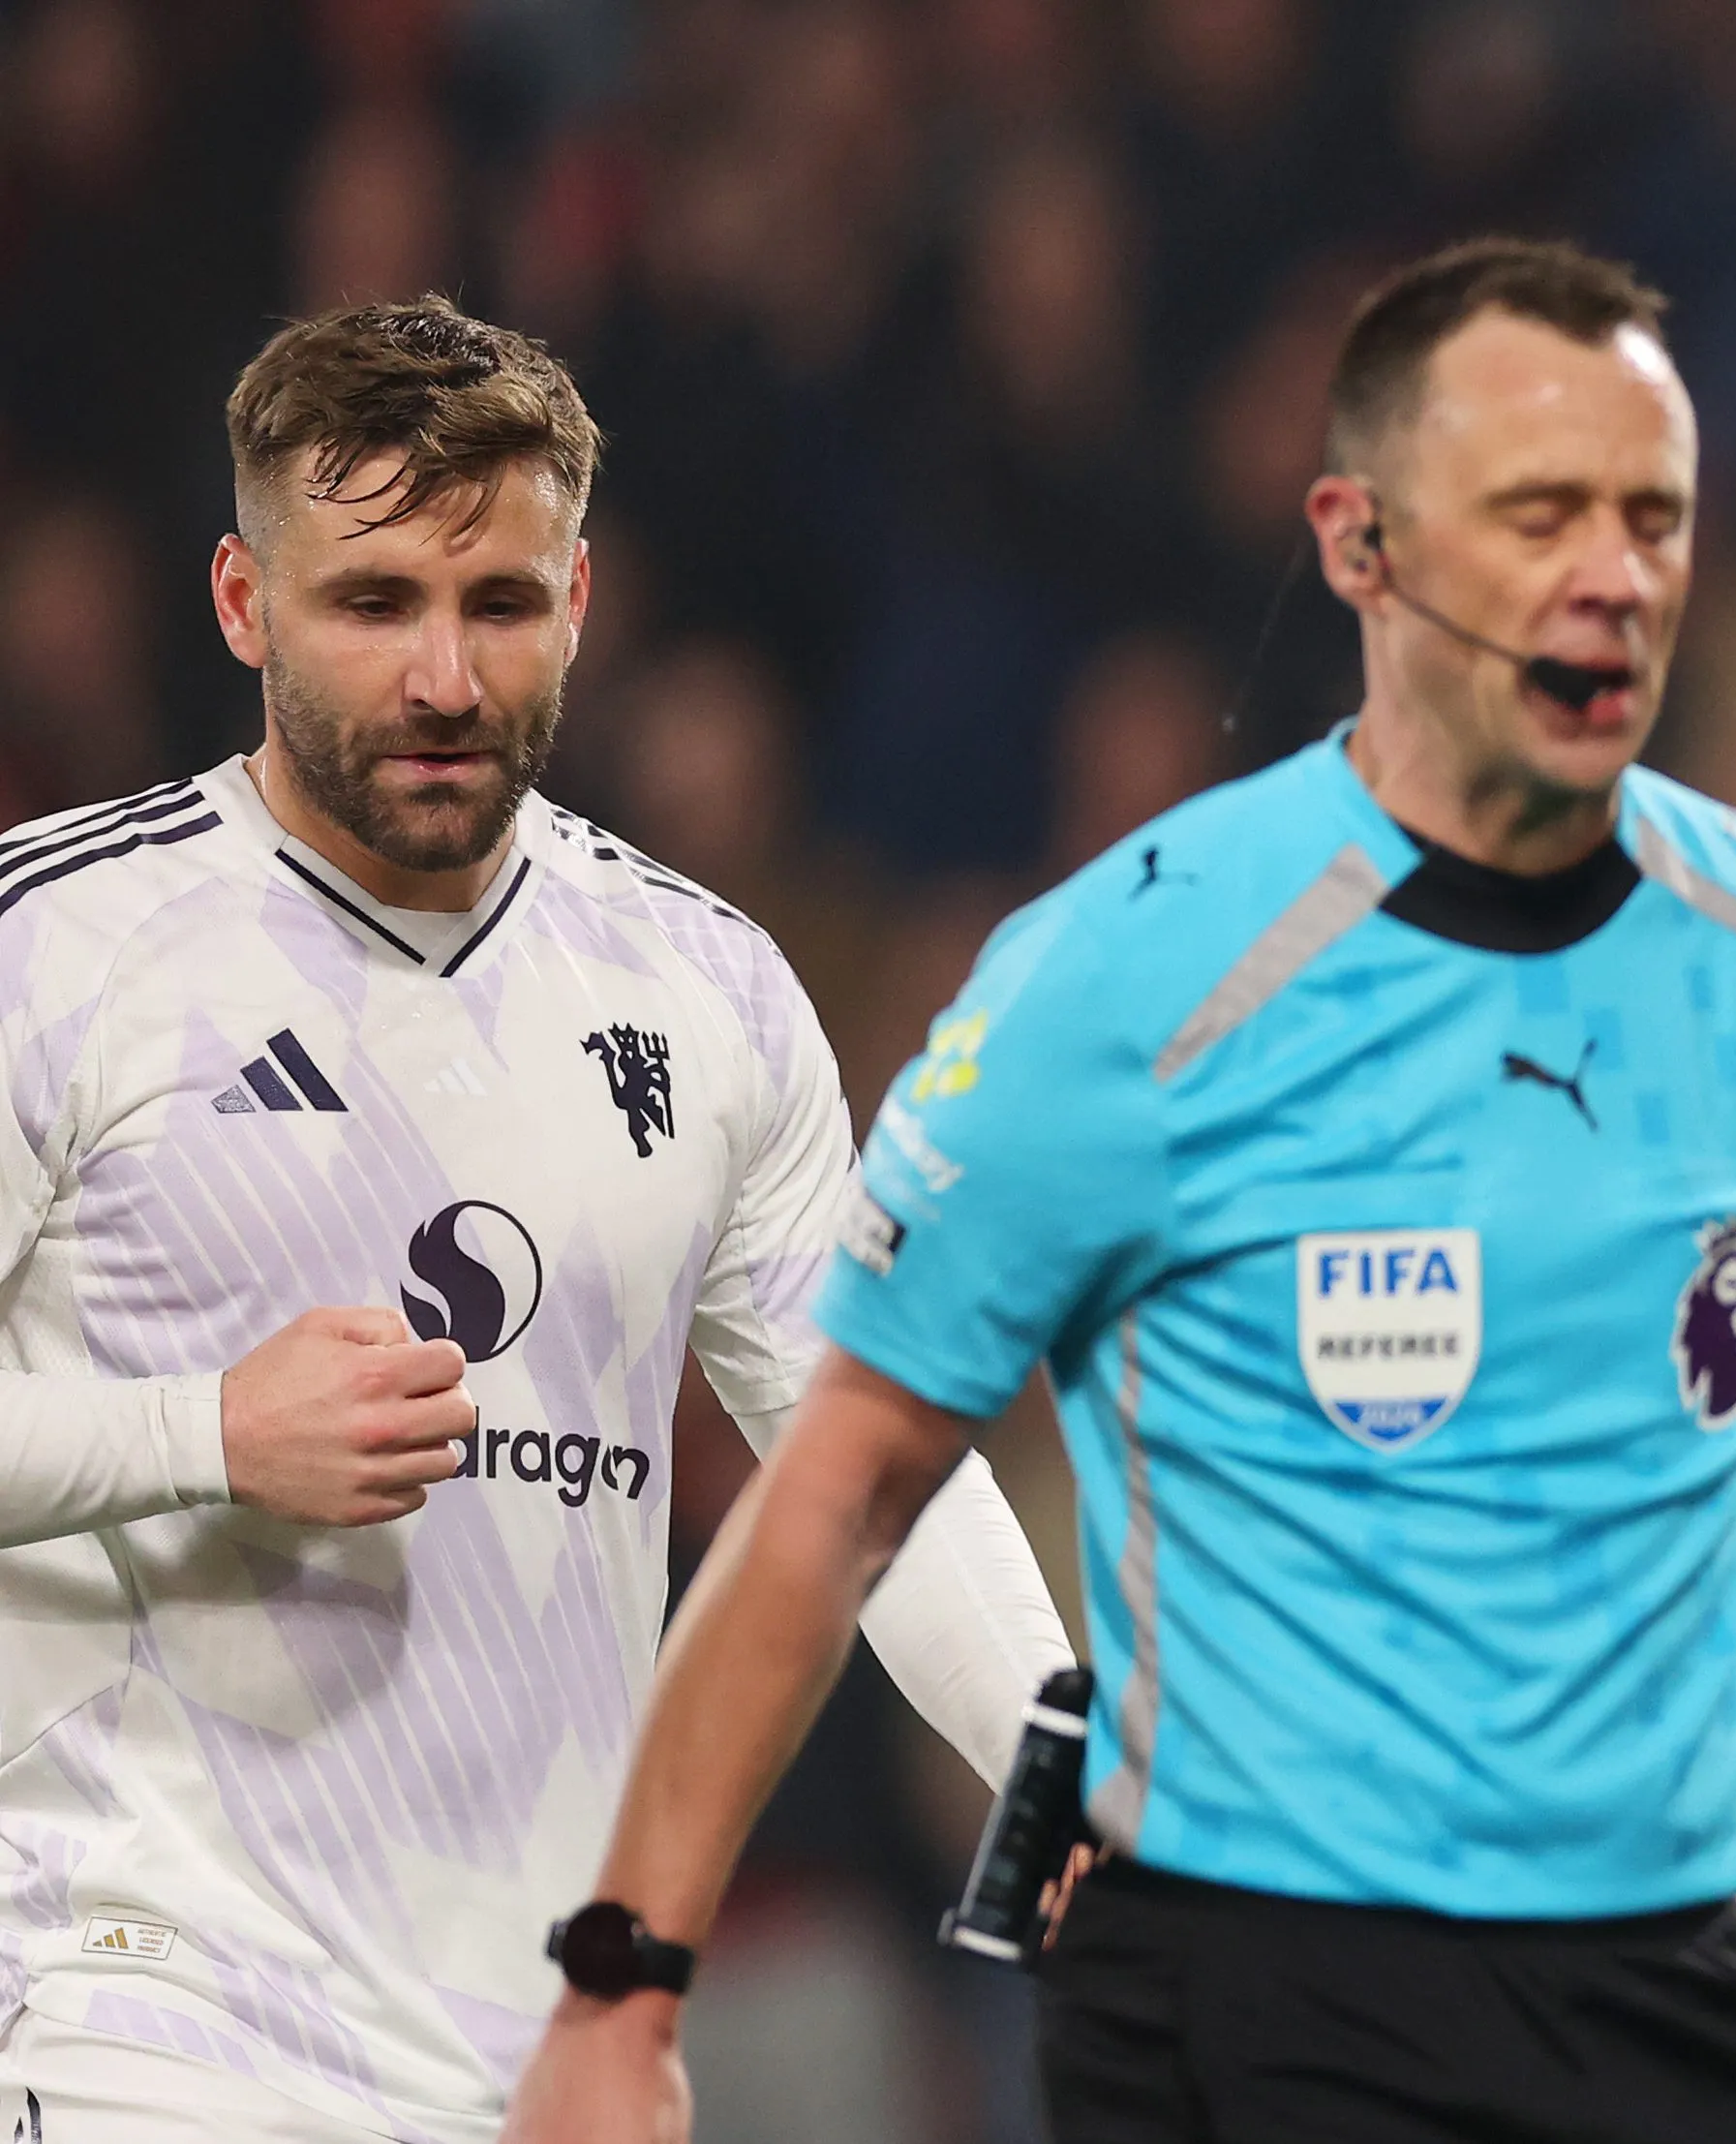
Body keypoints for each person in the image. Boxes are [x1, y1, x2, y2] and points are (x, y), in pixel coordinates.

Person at [498, 238, 1736, 2144]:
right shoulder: (1129, 978)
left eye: (1651, 515)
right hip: (1266, 2007)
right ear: (1358, 544)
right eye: (1539, 513)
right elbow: (838, 1486)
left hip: (1686, 1992)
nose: (1615, 569)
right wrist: (624, 1986)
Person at [0, 298, 1072, 2144]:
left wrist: (1071, 1785)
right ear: (245, 605)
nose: (444, 674)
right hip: (140, 2014)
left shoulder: (710, 994)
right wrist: (204, 1432)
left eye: (498, 604)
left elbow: (875, 1459)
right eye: (374, 603)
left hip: (539, 2059)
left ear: (578, 605)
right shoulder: (58, 947)